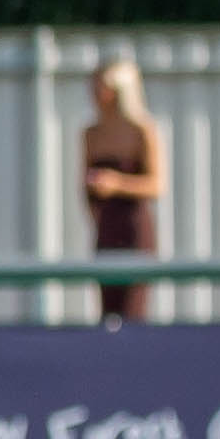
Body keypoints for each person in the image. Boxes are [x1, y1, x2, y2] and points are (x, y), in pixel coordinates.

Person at [82, 58, 164, 323]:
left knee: (133, 312)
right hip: (107, 229)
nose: (95, 93)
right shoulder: (91, 134)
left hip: (134, 230)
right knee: (108, 312)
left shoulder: (142, 130)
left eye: (101, 86)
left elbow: (156, 184)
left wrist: (116, 183)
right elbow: (84, 187)